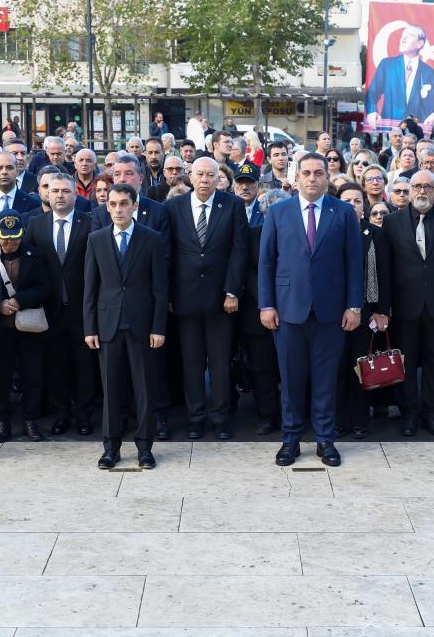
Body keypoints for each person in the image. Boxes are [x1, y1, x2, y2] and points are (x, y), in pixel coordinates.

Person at [259, 153, 362, 467]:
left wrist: (354, 306)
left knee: (326, 380)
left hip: (331, 312)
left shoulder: (343, 212)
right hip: (288, 311)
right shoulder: (277, 212)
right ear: (297, 177)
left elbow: (353, 263)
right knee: (290, 380)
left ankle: (325, 440)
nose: (313, 178)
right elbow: (266, 262)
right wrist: (266, 304)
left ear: (327, 177)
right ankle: (290, 440)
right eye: (307, 173)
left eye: (319, 173)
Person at [84, 182, 167, 470]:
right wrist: (89, 328)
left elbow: (160, 289)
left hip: (142, 325)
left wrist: (158, 327)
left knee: (144, 388)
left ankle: (145, 447)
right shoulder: (95, 239)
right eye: (113, 204)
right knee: (111, 390)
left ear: (135, 206)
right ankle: (111, 448)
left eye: (123, 203)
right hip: (107, 325)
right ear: (106, 207)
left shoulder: (151, 238)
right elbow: (90, 289)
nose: (118, 209)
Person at [166, 157, 248, 440]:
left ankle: (219, 418)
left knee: (220, 362)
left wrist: (232, 291)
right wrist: (169, 294)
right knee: (191, 362)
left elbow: (240, 251)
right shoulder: (173, 206)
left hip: (221, 298)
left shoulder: (233, 205)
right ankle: (195, 418)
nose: (204, 179)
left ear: (218, 178)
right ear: (190, 176)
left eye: (210, 175)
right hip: (185, 297)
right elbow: (168, 252)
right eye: (199, 174)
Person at [383, 169, 434, 437]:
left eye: (428, 186)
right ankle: (410, 414)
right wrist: (386, 305)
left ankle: (432, 413)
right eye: (417, 186)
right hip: (404, 306)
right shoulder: (392, 221)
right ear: (408, 189)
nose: (421, 191)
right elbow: (387, 267)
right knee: (404, 361)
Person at [25, 171, 99, 435]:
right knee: (56, 367)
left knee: (84, 366)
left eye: (65, 191)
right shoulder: (35, 224)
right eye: (54, 191)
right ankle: (61, 416)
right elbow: (29, 267)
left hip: (82, 308)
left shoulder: (90, 222)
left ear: (75, 195)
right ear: (46, 193)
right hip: (49, 309)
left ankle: (84, 417)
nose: (59, 195)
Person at [0, 210, 52, 442]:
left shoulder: (36, 255)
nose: (10, 242)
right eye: (5, 237)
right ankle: (2, 421)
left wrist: (19, 300)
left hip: (29, 328)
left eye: (14, 237)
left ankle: (30, 420)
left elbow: (46, 288)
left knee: (32, 375)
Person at [334, 182, 392, 438]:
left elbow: (385, 274)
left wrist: (382, 310)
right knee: (335, 369)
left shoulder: (375, 234)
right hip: (333, 312)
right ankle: (337, 420)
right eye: (347, 200)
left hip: (366, 311)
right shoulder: (329, 230)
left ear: (364, 206)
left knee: (361, 367)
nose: (352, 205)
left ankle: (359, 421)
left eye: (357, 201)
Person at [365, 25, 434, 131]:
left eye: (409, 36)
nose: (402, 39)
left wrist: (432, 115)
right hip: (390, 128)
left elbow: (429, 103)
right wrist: (371, 111)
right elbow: (372, 92)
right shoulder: (387, 65)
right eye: (402, 36)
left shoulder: (429, 72)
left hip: (415, 130)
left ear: (420, 43)